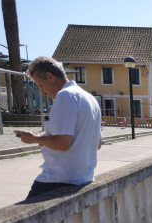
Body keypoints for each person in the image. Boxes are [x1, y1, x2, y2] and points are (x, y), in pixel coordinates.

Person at [15, 56, 102, 200]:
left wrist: (34, 138)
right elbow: (97, 144)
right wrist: (46, 138)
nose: (43, 92)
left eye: (41, 85)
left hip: (57, 179)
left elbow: (62, 143)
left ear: (50, 76)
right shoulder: (90, 98)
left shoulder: (65, 96)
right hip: (84, 178)